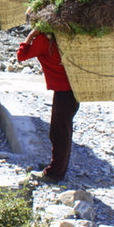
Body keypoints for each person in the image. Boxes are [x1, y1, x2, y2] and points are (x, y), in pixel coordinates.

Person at [17, 28, 80, 183]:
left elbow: (21, 56)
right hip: (74, 89)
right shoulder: (65, 35)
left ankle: (54, 174)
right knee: (63, 131)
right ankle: (57, 166)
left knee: (59, 134)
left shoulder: (44, 40)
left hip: (63, 91)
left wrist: (31, 35)